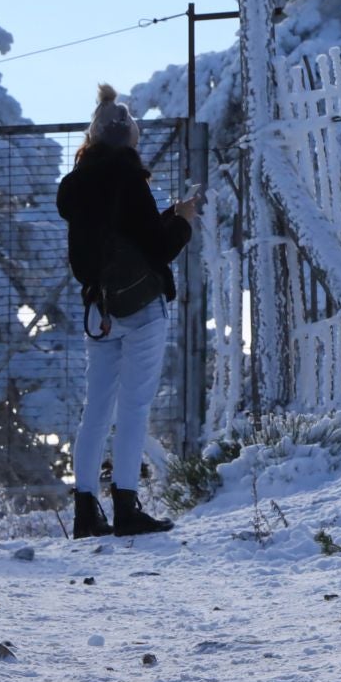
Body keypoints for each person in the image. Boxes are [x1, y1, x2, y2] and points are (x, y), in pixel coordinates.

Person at [58, 84, 198, 538]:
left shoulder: (75, 188)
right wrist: (181, 221)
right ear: (129, 138)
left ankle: (84, 509)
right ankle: (125, 505)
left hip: (99, 307)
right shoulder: (131, 181)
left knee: (95, 408)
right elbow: (156, 248)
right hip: (141, 307)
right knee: (134, 406)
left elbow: (105, 245)